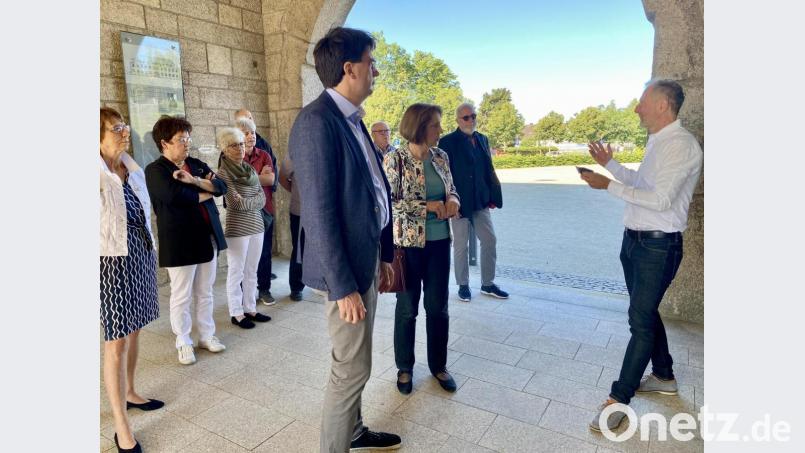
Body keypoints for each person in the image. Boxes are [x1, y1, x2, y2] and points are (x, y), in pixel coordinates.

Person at [288, 26, 401, 452]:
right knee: (351, 368)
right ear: (350, 69)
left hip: (365, 257)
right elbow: (319, 214)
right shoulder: (316, 122)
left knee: (357, 359)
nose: (376, 71)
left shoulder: (351, 119)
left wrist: (384, 253)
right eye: (372, 63)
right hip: (345, 272)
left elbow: (372, 190)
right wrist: (342, 287)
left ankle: (354, 431)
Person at [582, 80, 703, 432]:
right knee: (645, 312)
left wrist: (608, 185)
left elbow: (661, 200)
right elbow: (643, 184)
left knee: (639, 320)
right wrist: (611, 165)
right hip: (635, 243)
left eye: (642, 102)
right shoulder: (660, 141)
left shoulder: (681, 145)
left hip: (658, 247)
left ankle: (618, 399)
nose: (636, 109)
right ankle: (664, 376)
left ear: (663, 105)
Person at [383, 104, 460, 395]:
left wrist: (454, 200)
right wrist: (426, 206)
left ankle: (439, 365)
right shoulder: (395, 159)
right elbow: (389, 204)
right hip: (408, 246)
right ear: (419, 127)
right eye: (435, 125)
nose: (440, 130)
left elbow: (452, 188)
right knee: (407, 309)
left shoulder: (441, 156)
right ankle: (405, 367)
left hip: (439, 243)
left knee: (438, 308)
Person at [100, 107, 162, 453]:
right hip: (110, 262)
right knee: (116, 341)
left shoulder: (129, 167)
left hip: (140, 253)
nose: (125, 132)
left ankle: (130, 391)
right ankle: (121, 425)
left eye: (124, 125)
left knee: (135, 328)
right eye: (116, 128)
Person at [145, 115, 228, 365]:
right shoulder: (156, 170)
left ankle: (207, 335)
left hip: (207, 236)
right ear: (165, 143)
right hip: (180, 240)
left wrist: (194, 182)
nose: (187, 143)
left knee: (205, 291)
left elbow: (222, 186)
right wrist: (205, 191)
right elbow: (175, 197)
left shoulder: (195, 164)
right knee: (181, 295)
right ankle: (183, 340)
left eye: (188, 138)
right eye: (181, 139)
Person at [438, 103, 508, 302]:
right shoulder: (447, 142)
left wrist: (492, 196)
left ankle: (488, 284)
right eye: (466, 117)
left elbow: (488, 168)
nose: (471, 120)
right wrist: (449, 201)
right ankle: (463, 285)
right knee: (461, 245)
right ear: (458, 120)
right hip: (458, 203)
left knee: (490, 240)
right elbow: (444, 175)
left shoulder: (482, 139)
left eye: (473, 116)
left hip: (480, 201)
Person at [216, 127, 272, 329]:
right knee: (236, 272)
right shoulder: (223, 173)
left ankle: (250, 308)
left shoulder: (249, 169)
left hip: (257, 225)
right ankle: (236, 313)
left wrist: (247, 200)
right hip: (238, 228)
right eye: (234, 145)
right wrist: (250, 201)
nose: (240, 148)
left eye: (241, 144)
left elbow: (262, 198)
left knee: (252, 270)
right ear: (225, 149)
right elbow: (234, 203)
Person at [234, 116, 278, 305]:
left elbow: (271, 180)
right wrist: (259, 177)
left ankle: (264, 290)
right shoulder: (233, 157)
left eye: (252, 132)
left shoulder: (264, 154)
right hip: (243, 213)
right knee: (244, 256)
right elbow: (234, 184)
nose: (251, 136)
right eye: (246, 133)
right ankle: (245, 294)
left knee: (265, 253)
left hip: (264, 210)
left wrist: (248, 179)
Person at [278, 154, 305, 301]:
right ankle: (296, 287)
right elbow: (282, 179)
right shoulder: (293, 155)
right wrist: (296, 192)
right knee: (299, 250)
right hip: (299, 211)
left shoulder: (327, 148)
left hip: (323, 212)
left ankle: (323, 283)